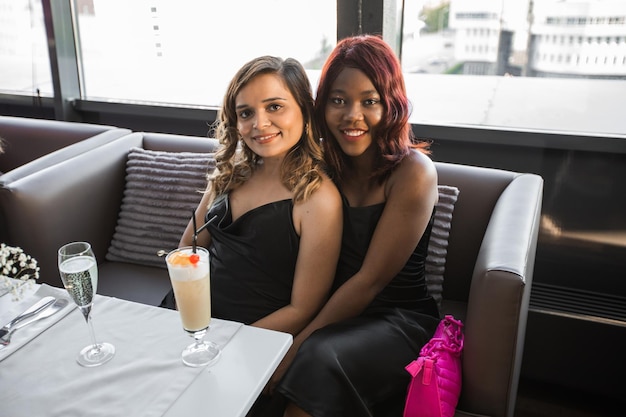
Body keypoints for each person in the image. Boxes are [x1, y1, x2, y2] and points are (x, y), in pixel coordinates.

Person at [271, 35, 442, 417]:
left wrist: (296, 344)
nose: (352, 116)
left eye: (370, 101)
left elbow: (370, 281)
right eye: (338, 100)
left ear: (391, 104)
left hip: (398, 318)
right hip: (329, 305)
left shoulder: (413, 173)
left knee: (314, 356)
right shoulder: (320, 165)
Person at [166, 55, 343, 336]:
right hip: (189, 318)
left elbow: (303, 309)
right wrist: (185, 313)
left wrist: (229, 341)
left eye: (274, 107)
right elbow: (187, 249)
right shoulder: (229, 174)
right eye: (246, 113)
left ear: (305, 111)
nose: (260, 123)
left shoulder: (317, 198)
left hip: (252, 338)